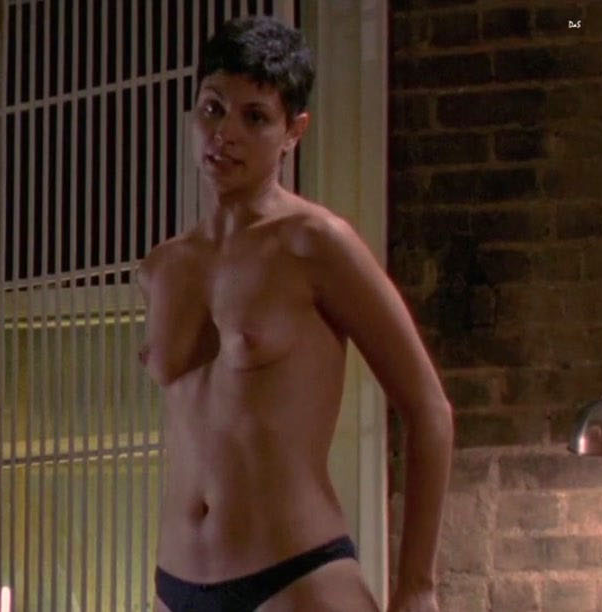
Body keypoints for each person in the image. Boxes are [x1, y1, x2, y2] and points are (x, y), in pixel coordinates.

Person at [141, 17, 454, 612]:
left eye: (255, 117)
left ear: (293, 132)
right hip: (175, 586)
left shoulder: (316, 244)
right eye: (213, 109)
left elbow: (429, 410)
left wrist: (417, 586)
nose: (225, 133)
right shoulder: (164, 267)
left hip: (294, 578)